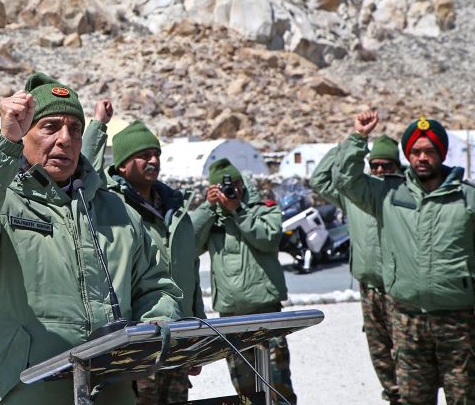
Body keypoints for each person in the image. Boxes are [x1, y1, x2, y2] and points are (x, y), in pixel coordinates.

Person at [0, 72, 182, 405]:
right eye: (50, 127)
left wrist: (157, 323)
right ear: (23, 134)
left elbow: (155, 286)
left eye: (75, 129)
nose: (65, 139)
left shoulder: (117, 211)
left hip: (109, 393)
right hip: (19, 393)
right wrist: (1, 144)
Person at [333, 111, 475, 404]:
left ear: (441, 154)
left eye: (429, 151)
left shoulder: (466, 198)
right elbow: (345, 180)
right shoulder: (388, 193)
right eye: (415, 151)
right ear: (408, 155)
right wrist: (359, 138)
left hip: (457, 321)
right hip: (407, 321)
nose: (422, 157)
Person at [82, 103, 204, 404]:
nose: (153, 160)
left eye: (156, 154)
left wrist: (197, 335)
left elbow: (190, 274)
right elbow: (84, 171)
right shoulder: (109, 203)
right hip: (137, 340)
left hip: (176, 335)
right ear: (122, 165)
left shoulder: (176, 209)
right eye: (143, 155)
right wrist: (98, 125)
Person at [191, 158, 295, 405]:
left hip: (266, 312)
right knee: (246, 393)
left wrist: (238, 210)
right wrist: (208, 207)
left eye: (235, 184)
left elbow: (269, 239)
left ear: (242, 184)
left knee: (278, 386)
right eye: (223, 187)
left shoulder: (262, 209)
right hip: (231, 316)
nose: (231, 190)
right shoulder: (212, 217)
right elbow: (188, 245)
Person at [310, 135, 401, 404]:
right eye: (375, 165)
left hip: (399, 288)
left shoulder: (403, 194)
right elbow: (320, 180)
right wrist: (345, 147)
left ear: (397, 166)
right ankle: (394, 397)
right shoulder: (356, 195)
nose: (380, 170)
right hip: (368, 287)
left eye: (386, 166)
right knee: (379, 351)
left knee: (406, 352)